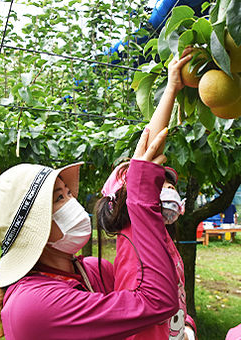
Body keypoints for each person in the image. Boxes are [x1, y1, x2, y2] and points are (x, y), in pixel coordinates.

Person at [0, 125, 180, 339]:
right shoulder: (32, 306)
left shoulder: (94, 271)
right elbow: (156, 301)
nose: (72, 202)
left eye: (68, 193)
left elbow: (162, 303)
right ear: (33, 229)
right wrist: (140, 200)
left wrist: (182, 326)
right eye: (59, 198)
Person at [95, 49, 196, 340]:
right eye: (155, 185)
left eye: (168, 185)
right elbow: (133, 319)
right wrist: (172, 88)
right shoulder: (134, 246)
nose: (167, 190)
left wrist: (186, 324)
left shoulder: (160, 236)